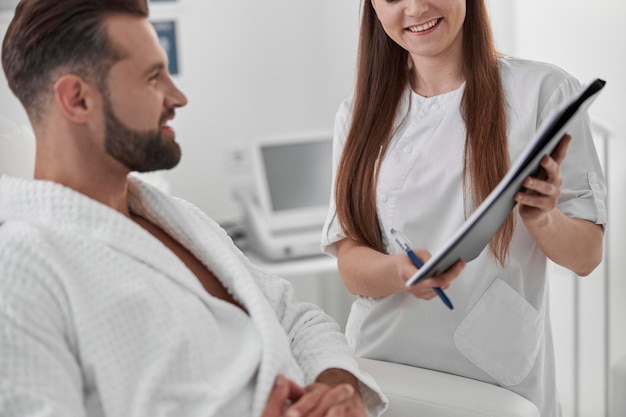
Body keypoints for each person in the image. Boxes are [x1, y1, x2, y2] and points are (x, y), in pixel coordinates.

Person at [0, 1, 387, 416]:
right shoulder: (24, 267)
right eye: (153, 77)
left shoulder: (177, 219)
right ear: (77, 99)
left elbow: (295, 318)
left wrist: (333, 386)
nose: (178, 96)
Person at [321, 0, 607, 416]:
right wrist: (400, 273)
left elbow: (587, 257)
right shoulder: (358, 113)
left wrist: (542, 217)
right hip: (383, 368)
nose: (416, 8)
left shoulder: (542, 91)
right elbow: (349, 264)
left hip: (495, 377)